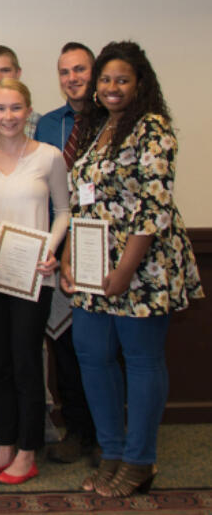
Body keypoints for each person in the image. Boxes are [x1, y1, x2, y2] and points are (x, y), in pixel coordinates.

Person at [59, 41, 202, 497]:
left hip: (142, 268)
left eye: (122, 79)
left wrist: (124, 270)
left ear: (140, 83)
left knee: (141, 361)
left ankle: (140, 460)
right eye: (105, 79)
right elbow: (82, 200)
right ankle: (113, 452)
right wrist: (68, 256)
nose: (112, 87)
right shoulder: (96, 128)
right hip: (90, 265)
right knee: (91, 356)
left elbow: (153, 208)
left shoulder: (152, 128)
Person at [0, 79, 68, 485]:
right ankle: (5, 445)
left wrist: (51, 250)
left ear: (28, 111)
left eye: (16, 108)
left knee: (27, 362)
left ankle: (28, 450)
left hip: (32, 278)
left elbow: (63, 210)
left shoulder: (49, 157)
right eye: (0, 109)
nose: (8, 116)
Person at [35, 42, 100, 464]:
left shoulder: (115, 121)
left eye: (80, 70)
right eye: (64, 72)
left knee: (104, 346)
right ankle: (79, 431)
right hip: (60, 250)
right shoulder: (47, 125)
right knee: (67, 347)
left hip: (104, 248)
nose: (72, 78)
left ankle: (108, 434)